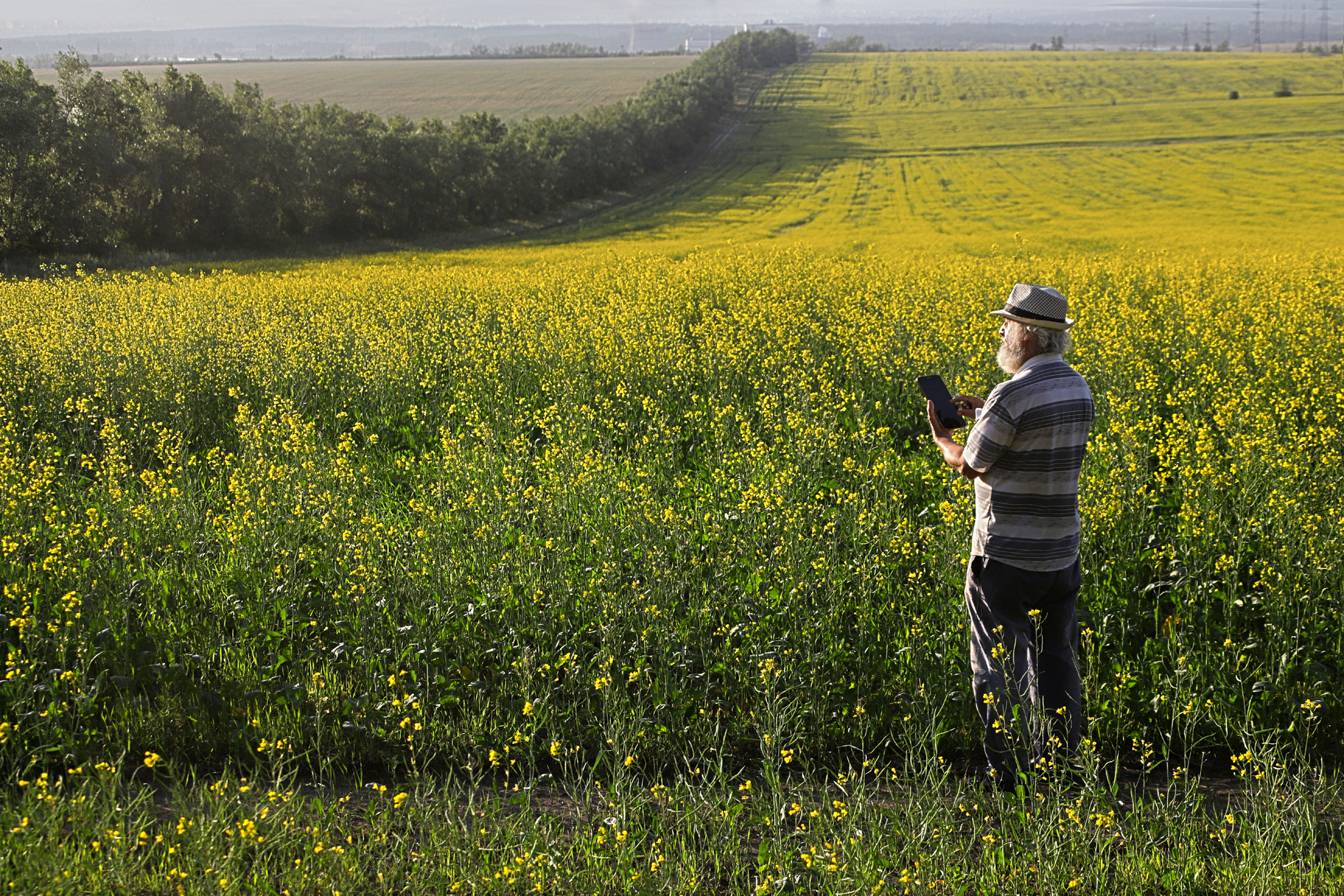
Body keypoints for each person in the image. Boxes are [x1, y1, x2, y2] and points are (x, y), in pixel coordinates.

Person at [925, 283, 1094, 791]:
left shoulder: (1012, 393)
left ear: (1027, 334)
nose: (1000, 330)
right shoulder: (1078, 386)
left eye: (1007, 323)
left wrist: (944, 437)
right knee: (1056, 661)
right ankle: (1063, 767)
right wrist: (987, 417)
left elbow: (970, 465)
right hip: (1060, 552)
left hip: (1006, 557)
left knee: (996, 666)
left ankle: (1010, 774)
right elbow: (1031, 436)